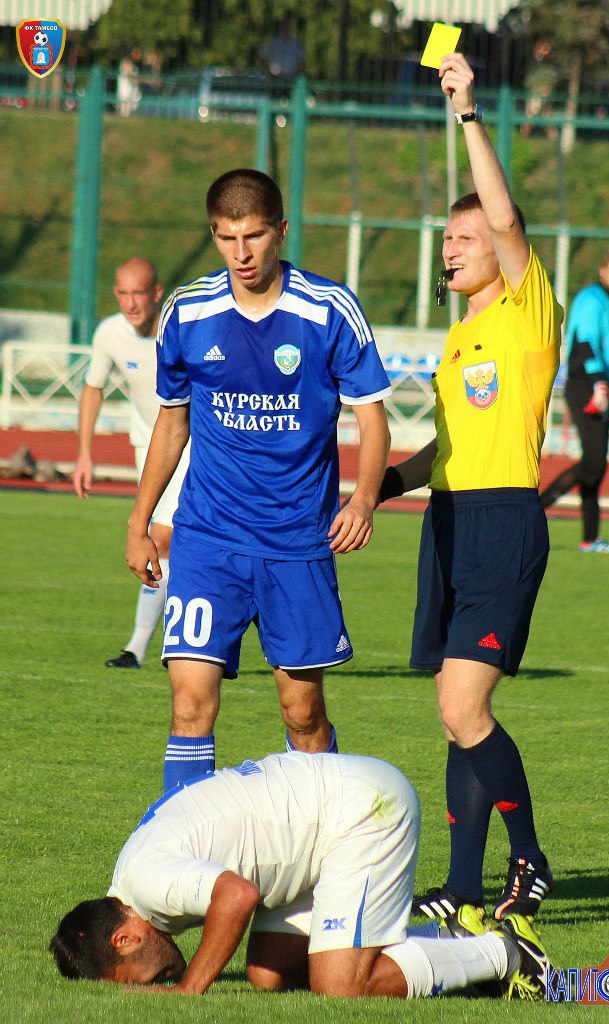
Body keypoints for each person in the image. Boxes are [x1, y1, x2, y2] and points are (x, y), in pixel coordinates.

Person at [125, 169, 391, 792]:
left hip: (296, 543)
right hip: (207, 538)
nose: (241, 254)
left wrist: (365, 499)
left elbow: (373, 421)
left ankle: (321, 850)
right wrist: (139, 523)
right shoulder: (187, 313)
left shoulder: (328, 311)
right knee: (191, 705)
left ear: (281, 231)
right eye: (225, 238)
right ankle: (183, 857)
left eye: (253, 236)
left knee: (302, 715)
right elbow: (171, 425)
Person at [377, 53, 561, 929]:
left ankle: (529, 861)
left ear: (499, 250)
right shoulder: (461, 339)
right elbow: (443, 449)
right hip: (448, 521)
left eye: (463, 239)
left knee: (464, 704)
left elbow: (507, 210)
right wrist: (379, 485)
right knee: (455, 717)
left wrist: (467, 114)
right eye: (445, 240)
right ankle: (461, 887)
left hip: (502, 525)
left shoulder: (528, 310)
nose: (449, 249)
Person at [50, 751, 552, 1000]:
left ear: (124, 938)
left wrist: (191, 988)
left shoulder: (150, 883)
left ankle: (505, 954)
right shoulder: (131, 876)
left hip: (360, 811)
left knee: (340, 985)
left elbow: (238, 896)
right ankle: (453, 936)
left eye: (138, 981)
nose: (155, 983)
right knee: (267, 975)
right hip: (315, 838)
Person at [73, 258, 190, 670]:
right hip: (149, 449)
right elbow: (92, 389)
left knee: (160, 540)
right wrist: (85, 453)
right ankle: (161, 645)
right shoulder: (110, 334)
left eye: (138, 293)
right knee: (172, 548)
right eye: (122, 293)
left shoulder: (180, 328)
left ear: (156, 293)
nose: (130, 303)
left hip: (194, 448)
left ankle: (142, 648)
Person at [540, 248, 609, 552]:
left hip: (595, 382)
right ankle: (534, 511)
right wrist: (598, 384)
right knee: (593, 462)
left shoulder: (607, 301)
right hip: (586, 383)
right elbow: (585, 343)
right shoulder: (593, 299)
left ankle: (590, 538)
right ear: (603, 270)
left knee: (597, 465)